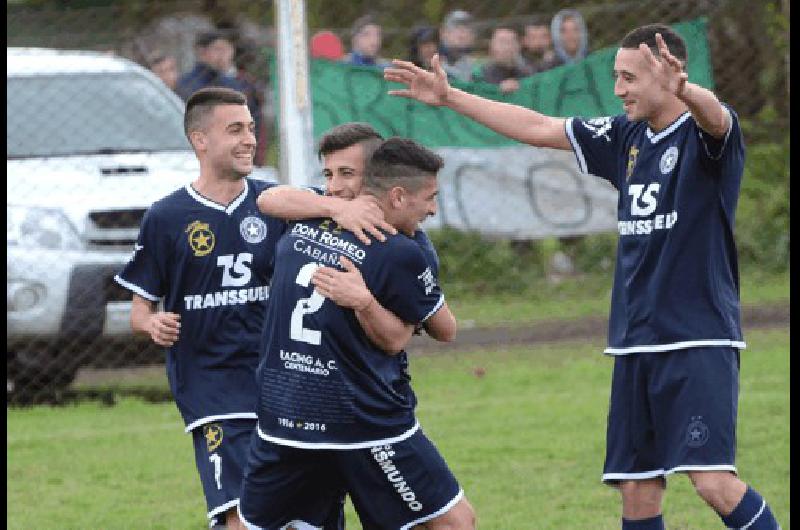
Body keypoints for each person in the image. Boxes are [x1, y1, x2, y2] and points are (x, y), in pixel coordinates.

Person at [384, 23, 781, 530]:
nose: (618, 89)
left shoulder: (709, 141)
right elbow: (537, 127)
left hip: (695, 338)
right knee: (637, 491)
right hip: (634, 341)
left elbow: (717, 117)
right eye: (617, 76)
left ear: (668, 76)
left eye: (630, 78)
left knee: (712, 482)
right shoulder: (626, 137)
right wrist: (451, 97)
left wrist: (688, 91)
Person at [239, 138, 475, 529]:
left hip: (285, 411)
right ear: (397, 193)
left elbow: (268, 200)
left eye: (345, 174)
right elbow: (436, 331)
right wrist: (368, 302)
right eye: (328, 174)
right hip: (361, 418)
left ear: (374, 178)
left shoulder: (307, 219)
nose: (332, 186)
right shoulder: (396, 246)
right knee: (454, 522)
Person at [473, 25, 533, 94]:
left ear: (518, 46)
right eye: (502, 42)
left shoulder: (528, 73)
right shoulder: (480, 75)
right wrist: (497, 91)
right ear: (491, 46)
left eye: (511, 42)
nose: (507, 47)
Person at [438, 9, 477, 82]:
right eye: (456, 27)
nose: (462, 33)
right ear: (443, 33)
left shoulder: (477, 69)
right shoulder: (430, 64)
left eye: (466, 28)